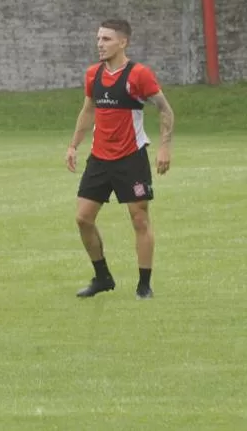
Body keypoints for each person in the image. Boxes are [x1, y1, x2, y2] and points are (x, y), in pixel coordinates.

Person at [65, 19, 175, 300]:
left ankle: (144, 285)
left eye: (106, 39)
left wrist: (164, 147)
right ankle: (102, 278)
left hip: (131, 159)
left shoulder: (139, 75)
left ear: (123, 42)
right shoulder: (93, 74)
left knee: (139, 219)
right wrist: (74, 145)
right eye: (98, 38)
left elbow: (165, 110)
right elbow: (88, 110)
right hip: (99, 159)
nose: (99, 44)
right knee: (82, 218)